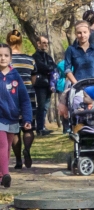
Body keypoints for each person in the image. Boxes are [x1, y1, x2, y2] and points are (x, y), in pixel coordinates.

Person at [0, 43, 33, 188]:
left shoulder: (16, 76)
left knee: (7, 147)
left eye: (6, 55)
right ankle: (6, 174)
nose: (2, 58)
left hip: (12, 117)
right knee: (1, 144)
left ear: (11, 58)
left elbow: (24, 100)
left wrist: (27, 118)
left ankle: (1, 176)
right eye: (0, 55)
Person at [6, 30, 34, 169]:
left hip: (10, 98)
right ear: (21, 41)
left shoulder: (5, 60)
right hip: (28, 96)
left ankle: (18, 160)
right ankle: (27, 150)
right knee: (28, 127)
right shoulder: (30, 60)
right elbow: (33, 79)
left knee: (15, 130)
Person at [32, 35, 55, 136]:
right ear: (38, 43)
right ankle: (39, 128)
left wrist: (50, 69)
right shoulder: (35, 56)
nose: (46, 45)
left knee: (46, 107)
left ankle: (43, 127)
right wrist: (49, 69)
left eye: (47, 43)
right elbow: (41, 67)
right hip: (40, 84)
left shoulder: (48, 56)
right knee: (41, 106)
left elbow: (55, 67)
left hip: (49, 84)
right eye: (44, 43)